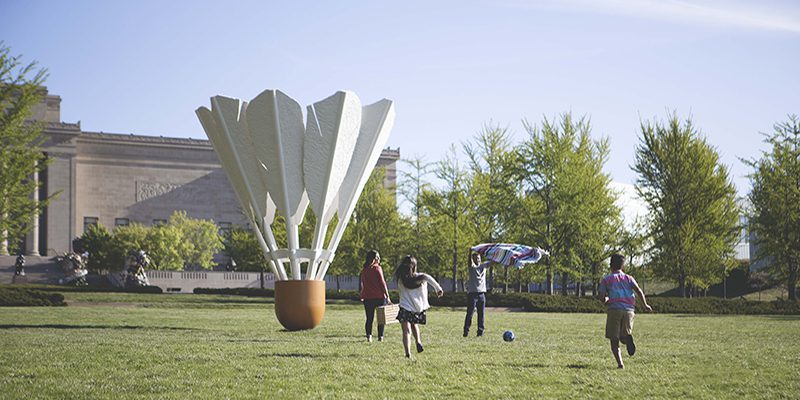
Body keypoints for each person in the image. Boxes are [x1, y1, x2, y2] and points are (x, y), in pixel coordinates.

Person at [597, 253, 652, 369]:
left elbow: (601, 297)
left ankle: (620, 363)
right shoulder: (629, 278)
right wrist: (645, 305)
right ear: (622, 266)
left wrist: (606, 299)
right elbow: (639, 290)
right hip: (629, 310)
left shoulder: (606, 279)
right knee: (624, 335)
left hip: (614, 309)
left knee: (614, 339)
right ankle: (627, 338)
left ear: (610, 265)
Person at [394, 255, 443, 358]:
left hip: (405, 307)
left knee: (406, 331)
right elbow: (430, 280)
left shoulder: (400, 279)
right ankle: (418, 342)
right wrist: (438, 289)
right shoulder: (421, 277)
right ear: (415, 266)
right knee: (414, 325)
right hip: (416, 308)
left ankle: (408, 353)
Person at [360, 250, 391, 342]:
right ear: (374, 259)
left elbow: (363, 284)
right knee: (381, 318)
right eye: (378, 257)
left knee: (369, 318)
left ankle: (369, 336)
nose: (379, 259)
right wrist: (387, 296)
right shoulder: (377, 268)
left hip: (367, 297)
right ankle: (380, 337)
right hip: (379, 297)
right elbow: (382, 283)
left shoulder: (364, 270)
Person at [463, 251, 488, 337]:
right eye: (475, 259)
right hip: (472, 294)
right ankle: (466, 331)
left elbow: (493, 262)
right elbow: (469, 261)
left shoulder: (484, 266)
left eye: (478, 258)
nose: (477, 260)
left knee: (481, 314)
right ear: (473, 260)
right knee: (470, 313)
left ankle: (480, 332)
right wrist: (470, 251)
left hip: (482, 294)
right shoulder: (472, 267)